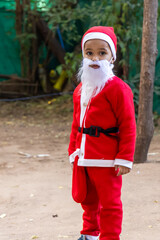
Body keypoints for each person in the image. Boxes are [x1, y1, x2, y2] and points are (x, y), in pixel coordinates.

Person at [68, 26, 136, 240]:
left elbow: (128, 125)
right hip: (84, 156)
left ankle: (110, 237)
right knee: (87, 199)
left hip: (107, 159)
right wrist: (73, 150)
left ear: (112, 57)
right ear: (83, 56)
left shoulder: (118, 88)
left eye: (102, 52)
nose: (95, 58)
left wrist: (124, 158)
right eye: (89, 53)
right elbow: (76, 124)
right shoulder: (80, 89)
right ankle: (90, 234)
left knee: (109, 203)